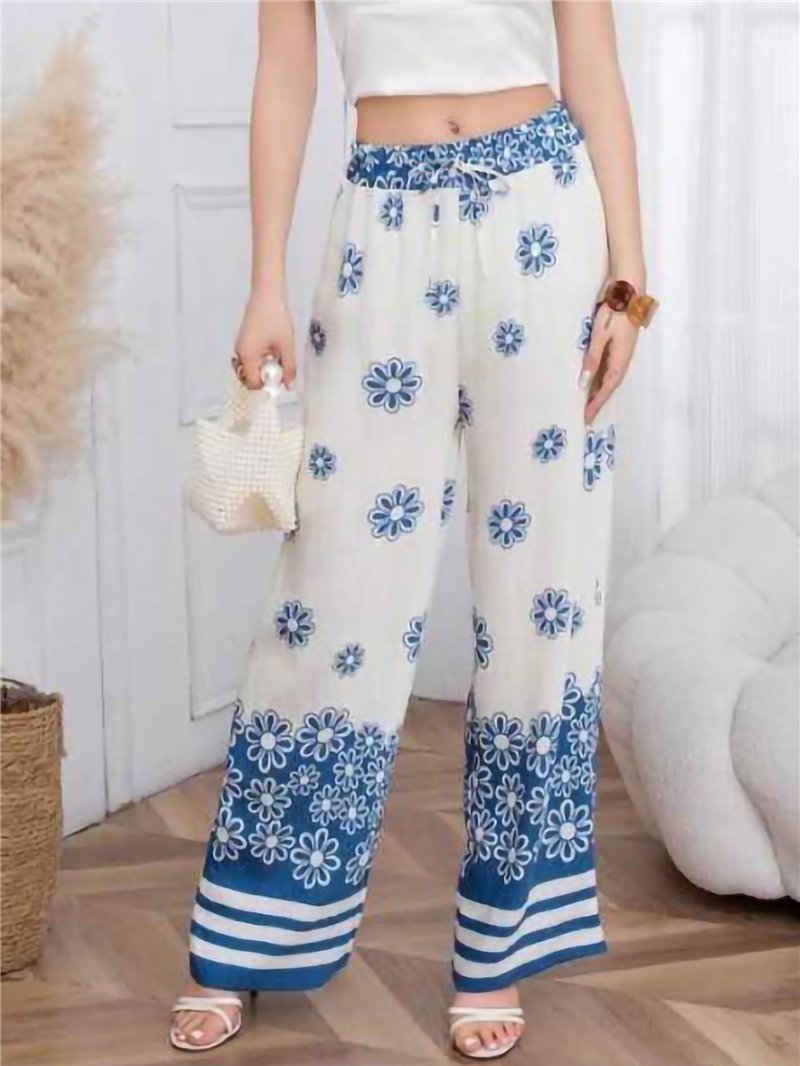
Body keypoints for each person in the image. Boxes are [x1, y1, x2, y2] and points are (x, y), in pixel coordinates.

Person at [170, 0, 656, 1057]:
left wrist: (628, 282)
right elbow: (286, 69)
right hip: (378, 233)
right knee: (331, 590)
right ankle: (249, 929)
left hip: (543, 227)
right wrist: (262, 282)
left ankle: (498, 945)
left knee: (542, 592)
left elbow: (592, 62)